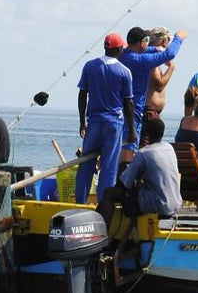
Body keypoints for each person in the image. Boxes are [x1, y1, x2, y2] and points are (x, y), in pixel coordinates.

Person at [76, 33, 136, 204]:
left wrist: (82, 121)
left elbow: (82, 94)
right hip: (113, 124)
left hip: (94, 122)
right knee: (109, 167)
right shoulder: (124, 72)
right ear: (118, 49)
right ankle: (104, 205)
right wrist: (131, 130)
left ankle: (80, 202)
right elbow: (128, 103)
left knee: (85, 164)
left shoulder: (90, 66)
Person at [118, 25, 186, 159]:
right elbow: (169, 54)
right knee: (129, 145)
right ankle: (123, 175)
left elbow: (145, 49)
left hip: (122, 107)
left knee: (121, 143)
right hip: (134, 108)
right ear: (142, 43)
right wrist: (179, 37)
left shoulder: (125, 55)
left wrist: (156, 48)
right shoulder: (141, 60)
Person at [115, 117, 181, 219]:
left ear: (146, 135)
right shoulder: (169, 148)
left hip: (158, 204)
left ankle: (106, 227)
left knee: (109, 194)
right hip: (175, 204)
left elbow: (125, 184)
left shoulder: (144, 153)